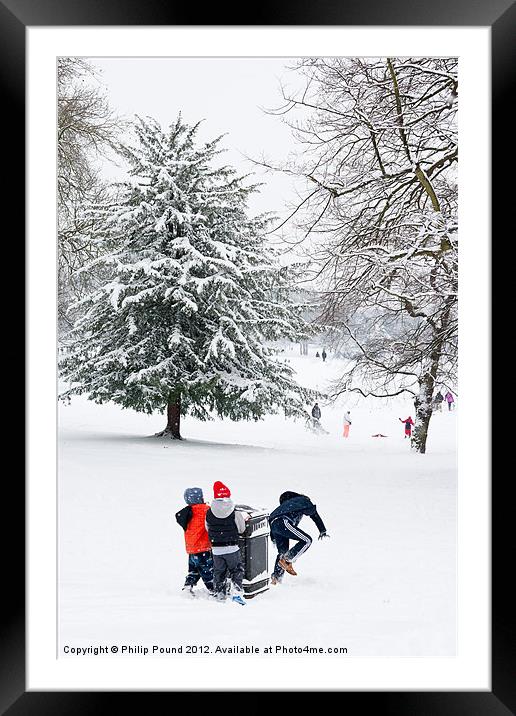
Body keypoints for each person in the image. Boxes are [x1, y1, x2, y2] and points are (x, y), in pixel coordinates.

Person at [268, 491, 329, 585]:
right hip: (283, 522)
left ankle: (276, 579)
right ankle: (287, 559)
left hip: (274, 525)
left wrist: (274, 538)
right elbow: (314, 515)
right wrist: (322, 530)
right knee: (307, 540)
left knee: (282, 552)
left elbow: (272, 519)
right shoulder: (302, 500)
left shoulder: (285, 506)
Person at [205, 481, 247, 603]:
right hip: (232, 548)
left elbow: (208, 528)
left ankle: (220, 594)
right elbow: (241, 529)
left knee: (219, 572)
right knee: (236, 570)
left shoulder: (208, 512)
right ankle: (237, 593)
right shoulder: (235, 512)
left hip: (216, 549)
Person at [175, 487, 214, 596]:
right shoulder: (206, 510)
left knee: (194, 570)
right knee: (207, 571)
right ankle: (214, 589)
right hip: (203, 547)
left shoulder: (187, 513)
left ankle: (188, 587)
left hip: (192, 548)